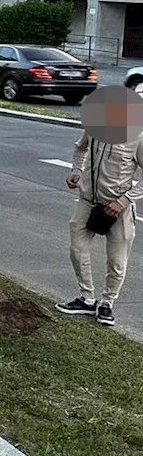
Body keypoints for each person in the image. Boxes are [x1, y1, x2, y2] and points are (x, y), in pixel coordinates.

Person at [56, 125, 143, 326]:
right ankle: (87, 299)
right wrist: (76, 171)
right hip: (87, 201)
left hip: (118, 207)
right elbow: (80, 148)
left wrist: (123, 201)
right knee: (77, 249)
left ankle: (107, 303)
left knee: (117, 261)